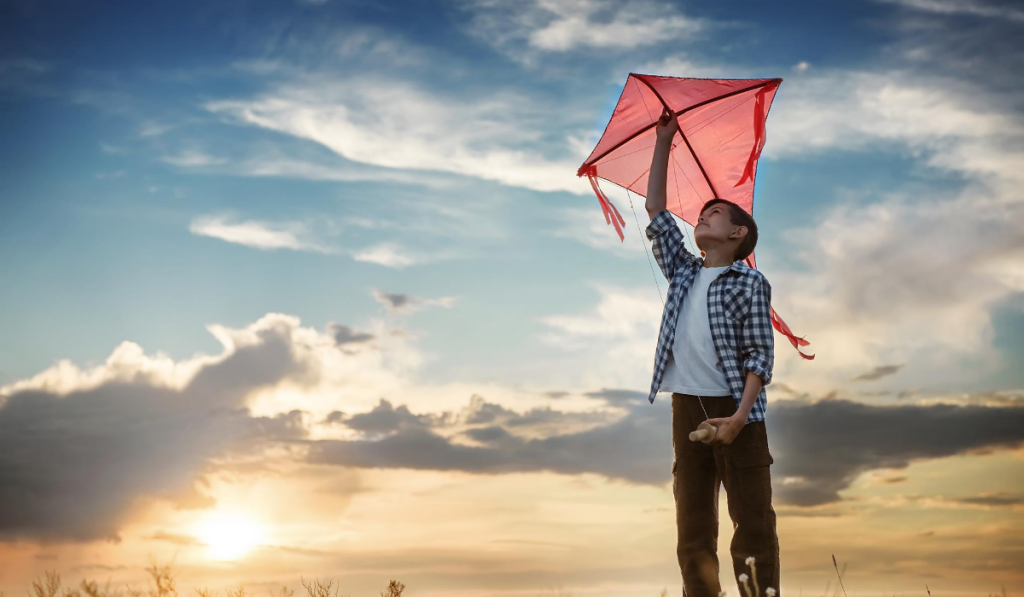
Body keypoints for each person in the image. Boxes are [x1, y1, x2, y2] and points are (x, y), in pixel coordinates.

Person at [644, 108, 780, 597]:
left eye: (715, 214)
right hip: (687, 407)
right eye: (702, 214)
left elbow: (759, 357)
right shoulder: (683, 271)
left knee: (753, 529)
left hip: (738, 413)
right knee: (693, 530)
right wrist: (664, 141)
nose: (702, 216)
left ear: (738, 234)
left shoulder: (749, 282)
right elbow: (657, 214)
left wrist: (741, 417)